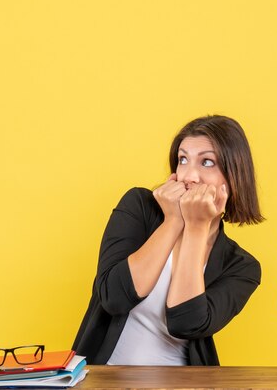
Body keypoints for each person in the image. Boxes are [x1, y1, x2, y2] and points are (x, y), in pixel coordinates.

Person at [72, 115, 263, 366]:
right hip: (105, 378)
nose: (190, 176)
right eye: (183, 160)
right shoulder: (138, 206)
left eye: (207, 162)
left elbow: (185, 323)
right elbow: (114, 298)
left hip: (182, 383)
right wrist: (173, 221)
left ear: (234, 177)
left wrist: (196, 227)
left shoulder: (242, 267)